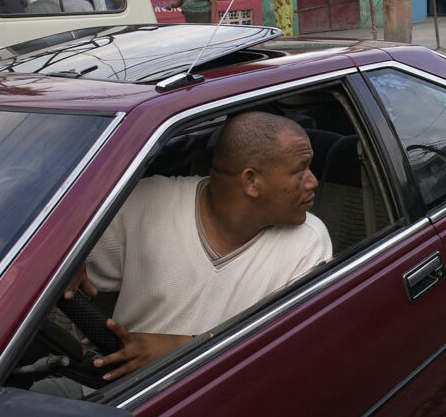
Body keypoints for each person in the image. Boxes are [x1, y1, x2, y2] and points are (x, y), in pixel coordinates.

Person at [63, 111, 333, 382]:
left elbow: (284, 352)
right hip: (115, 394)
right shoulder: (148, 202)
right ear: (251, 181)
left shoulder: (308, 242)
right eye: (301, 170)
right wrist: (67, 254)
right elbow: (56, 263)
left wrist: (177, 349)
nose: (313, 181)